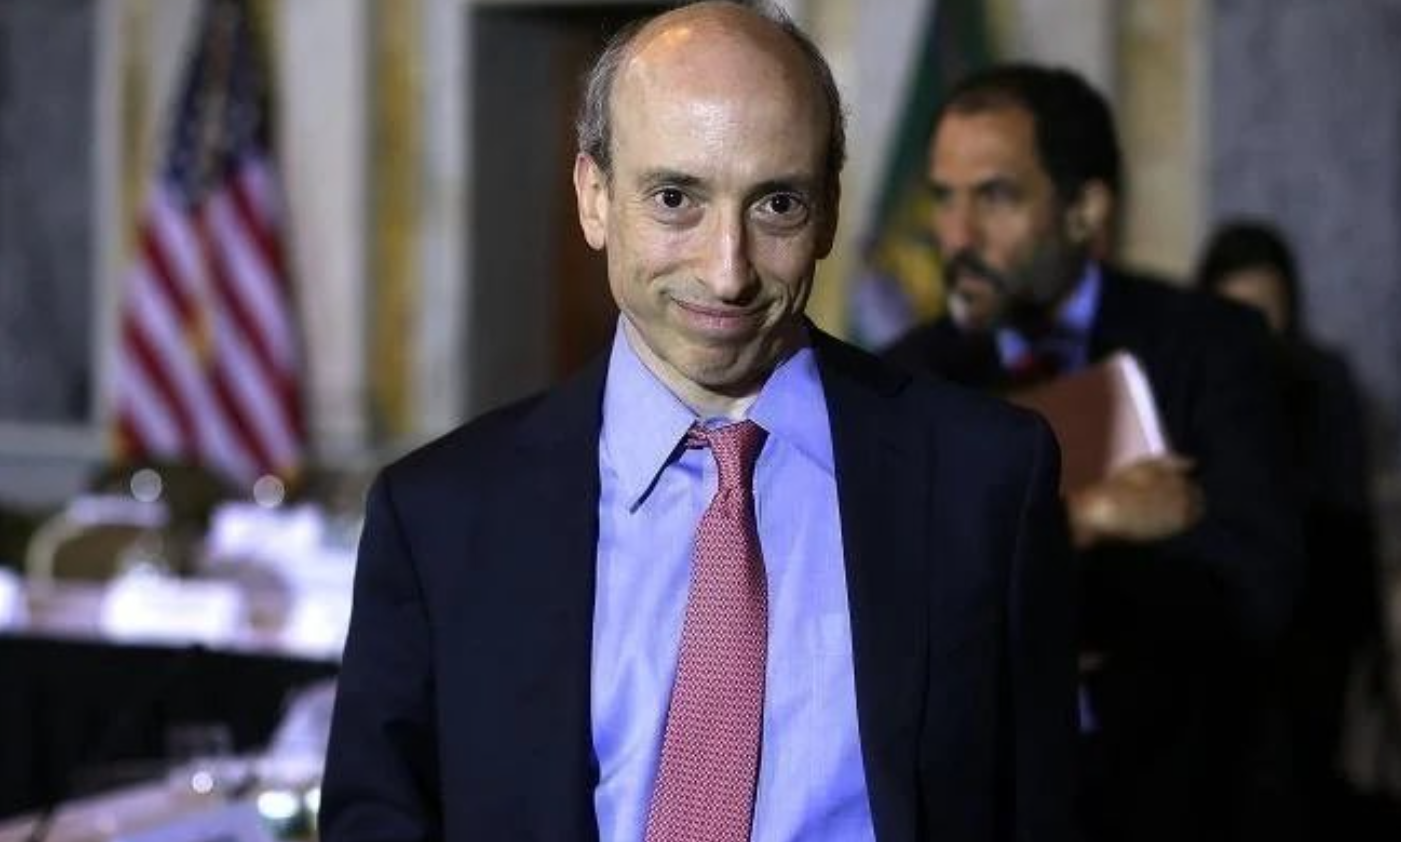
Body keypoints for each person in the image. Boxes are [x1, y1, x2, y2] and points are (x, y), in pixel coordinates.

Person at [321, 4, 1077, 841]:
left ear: (828, 211)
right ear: (595, 197)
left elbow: (1040, 811)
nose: (727, 272)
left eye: (776, 204)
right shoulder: (439, 516)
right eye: (676, 198)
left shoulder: (984, 481)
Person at [883, 65, 1304, 842]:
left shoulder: (1211, 347)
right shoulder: (907, 378)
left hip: (1178, 799)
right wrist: (1086, 518)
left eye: (995, 196)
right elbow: (899, 607)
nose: (957, 235)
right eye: (943, 197)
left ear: (1084, 210)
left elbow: (1263, 588)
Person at [1195, 220, 1387, 840]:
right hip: (1220, 643)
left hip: (1311, 636)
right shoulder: (1194, 389)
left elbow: (1347, 521)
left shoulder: (1322, 380)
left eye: (1266, 311)